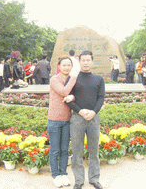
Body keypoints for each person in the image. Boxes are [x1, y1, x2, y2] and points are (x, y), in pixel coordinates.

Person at [67, 50, 105, 189]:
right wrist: (79, 110)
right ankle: (79, 180)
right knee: (77, 150)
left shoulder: (98, 79)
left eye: (88, 60)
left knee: (94, 150)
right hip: (77, 118)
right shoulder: (73, 79)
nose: (86, 62)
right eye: (83, 60)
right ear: (79, 61)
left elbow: (101, 97)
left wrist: (94, 112)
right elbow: (68, 98)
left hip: (94, 118)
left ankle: (94, 178)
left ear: (92, 61)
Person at [47, 55, 78, 188]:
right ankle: (55, 175)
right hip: (54, 120)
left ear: (71, 67)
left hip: (67, 119)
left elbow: (75, 94)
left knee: (65, 149)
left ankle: (63, 173)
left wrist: (74, 96)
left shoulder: (71, 80)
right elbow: (65, 91)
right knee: (55, 149)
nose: (66, 67)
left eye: (69, 65)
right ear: (59, 66)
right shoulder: (54, 79)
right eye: (64, 65)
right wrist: (74, 78)